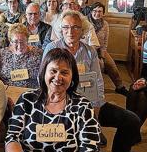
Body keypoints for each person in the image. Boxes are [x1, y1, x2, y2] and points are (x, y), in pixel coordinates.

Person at [43, 10, 141, 152]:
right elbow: (45, 80)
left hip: (88, 102)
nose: (70, 31)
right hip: (60, 104)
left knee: (132, 120)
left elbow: (98, 81)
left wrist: (96, 106)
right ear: (60, 29)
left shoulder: (89, 51)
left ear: (82, 30)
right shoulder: (52, 48)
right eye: (66, 27)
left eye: (75, 27)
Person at [5, 48, 101, 151]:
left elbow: (90, 146)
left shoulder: (83, 106)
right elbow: (13, 137)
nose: (58, 77)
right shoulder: (27, 100)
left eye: (64, 73)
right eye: (53, 71)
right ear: (44, 72)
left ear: (72, 77)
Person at [87, 2, 128, 96]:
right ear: (91, 11)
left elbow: (105, 42)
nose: (97, 13)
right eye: (95, 11)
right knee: (99, 66)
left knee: (112, 65)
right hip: (88, 50)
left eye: (100, 11)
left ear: (103, 13)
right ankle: (94, 90)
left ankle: (120, 87)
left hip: (100, 50)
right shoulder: (85, 22)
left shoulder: (105, 24)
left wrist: (102, 55)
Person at [0, 23, 43, 89]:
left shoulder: (38, 53)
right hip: (7, 91)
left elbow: (43, 76)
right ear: (10, 41)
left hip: (30, 92)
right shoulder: (2, 53)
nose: (20, 46)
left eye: (22, 41)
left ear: (27, 40)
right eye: (15, 42)